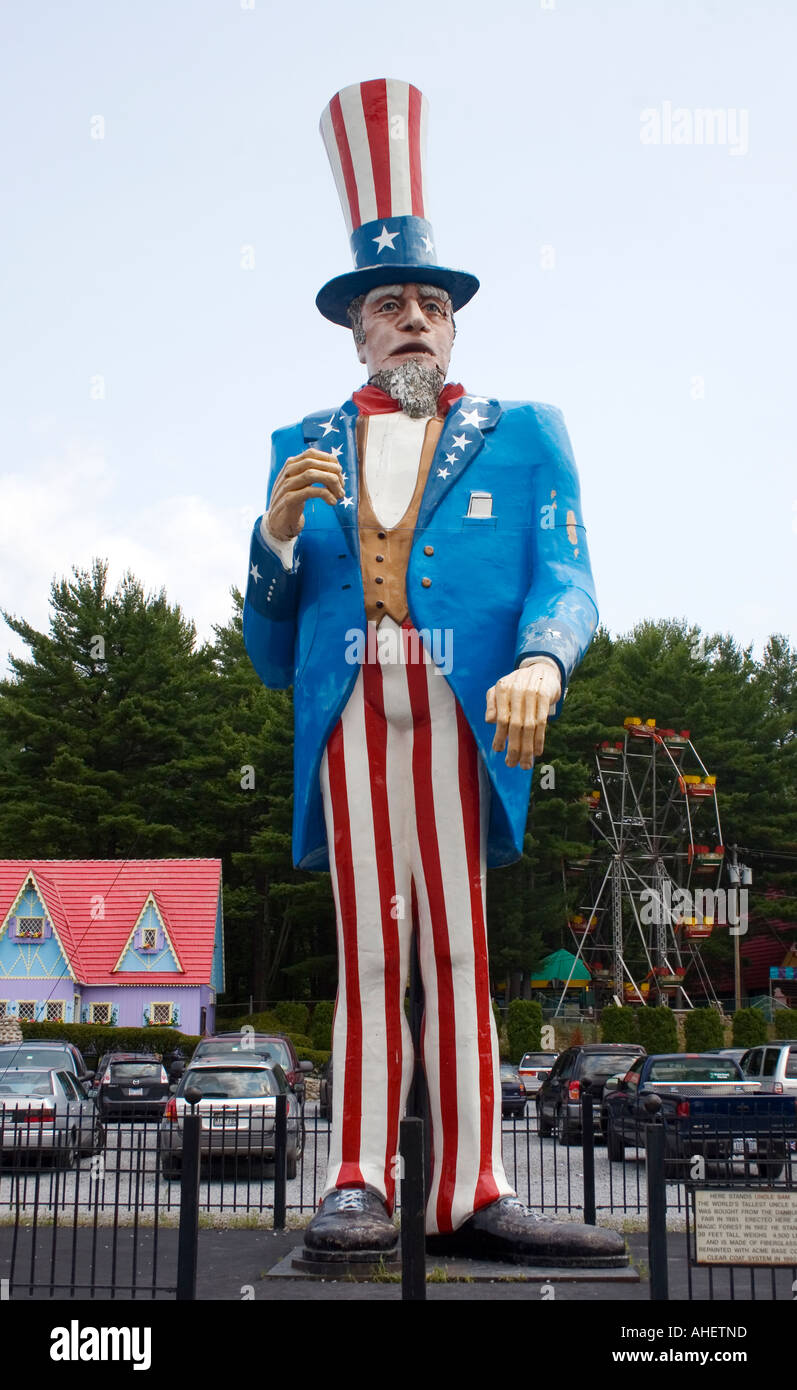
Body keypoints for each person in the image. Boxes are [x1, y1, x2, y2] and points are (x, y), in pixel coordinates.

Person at [244, 79, 624, 1266]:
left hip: (463, 709)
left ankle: (470, 1182)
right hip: (356, 706)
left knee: (454, 944)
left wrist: (538, 661)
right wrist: (267, 547)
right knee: (369, 944)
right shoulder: (299, 448)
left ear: (451, 325)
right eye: (384, 304)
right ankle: (358, 1174)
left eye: (425, 302)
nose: (408, 318)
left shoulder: (523, 429)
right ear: (354, 330)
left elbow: (567, 575)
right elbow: (270, 649)